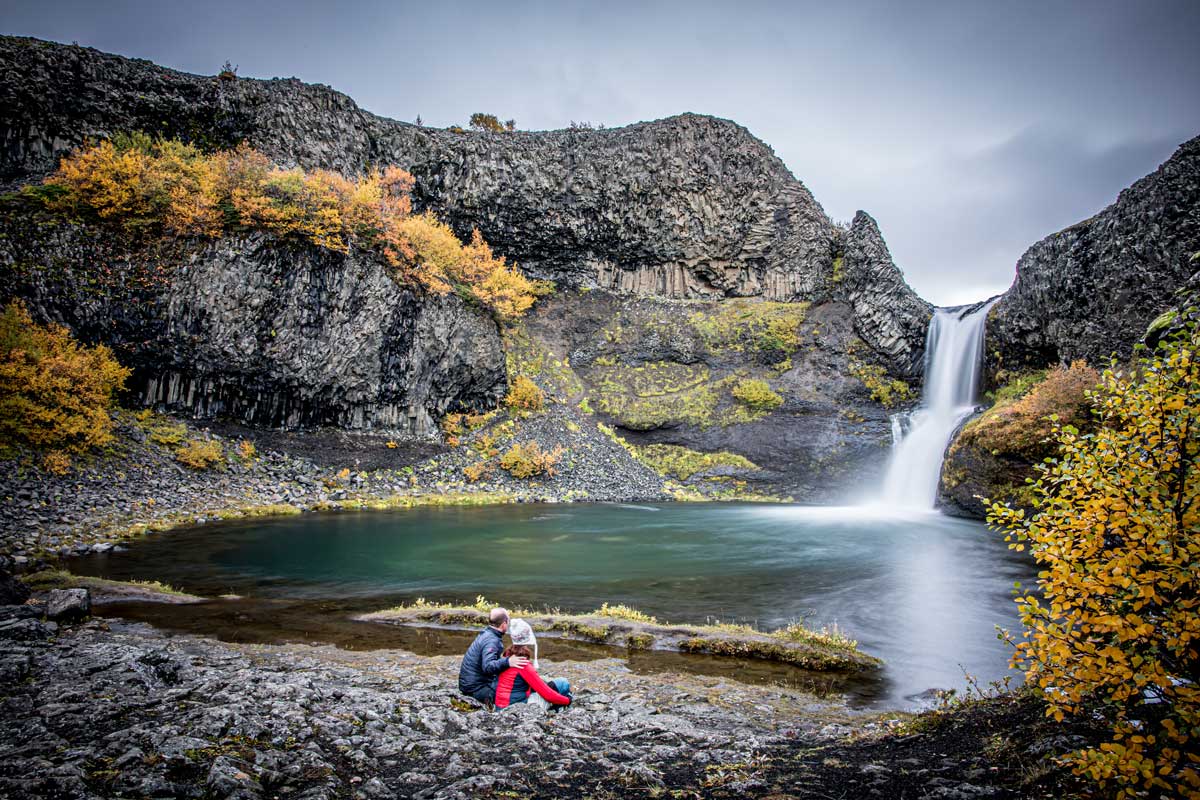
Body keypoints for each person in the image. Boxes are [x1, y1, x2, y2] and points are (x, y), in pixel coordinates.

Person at [493, 619, 572, 710]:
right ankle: (558, 710)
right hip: (514, 709)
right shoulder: (523, 664)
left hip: (500, 706)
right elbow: (548, 695)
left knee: (548, 685)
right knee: (563, 683)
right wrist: (567, 700)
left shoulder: (507, 657)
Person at [458, 607, 528, 706]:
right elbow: (488, 667)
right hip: (477, 689)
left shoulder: (487, 633)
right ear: (504, 624)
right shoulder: (492, 640)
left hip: (470, 685)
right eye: (508, 622)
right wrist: (508, 662)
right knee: (516, 692)